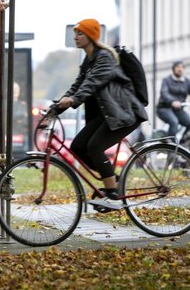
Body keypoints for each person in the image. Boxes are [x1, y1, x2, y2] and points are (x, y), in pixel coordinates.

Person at [55, 18, 148, 210]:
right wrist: (58, 106)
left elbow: (92, 83)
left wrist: (73, 100)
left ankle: (112, 195)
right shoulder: (89, 60)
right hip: (108, 114)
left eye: (80, 33)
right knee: (78, 147)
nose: (76, 37)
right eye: (75, 33)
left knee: (95, 146)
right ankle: (113, 180)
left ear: (90, 36)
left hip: (124, 113)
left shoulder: (105, 57)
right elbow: (78, 85)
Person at [156, 60, 190, 138]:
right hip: (164, 108)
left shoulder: (187, 82)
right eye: (177, 67)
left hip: (178, 110)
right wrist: (172, 101)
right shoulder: (166, 80)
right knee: (174, 122)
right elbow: (164, 93)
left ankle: (183, 143)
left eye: (182, 67)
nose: (180, 69)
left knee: (189, 124)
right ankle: (171, 146)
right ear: (173, 69)